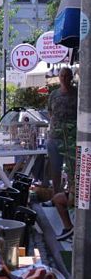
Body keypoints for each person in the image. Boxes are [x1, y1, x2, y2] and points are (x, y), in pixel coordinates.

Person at [47, 67, 77, 195]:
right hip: (55, 136)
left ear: (71, 77)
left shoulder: (77, 93)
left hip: (71, 138)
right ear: (59, 77)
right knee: (55, 167)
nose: (64, 78)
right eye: (62, 76)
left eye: (67, 76)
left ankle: (71, 195)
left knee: (72, 168)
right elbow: (50, 112)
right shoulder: (54, 94)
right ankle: (56, 194)